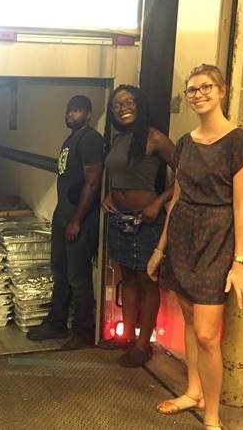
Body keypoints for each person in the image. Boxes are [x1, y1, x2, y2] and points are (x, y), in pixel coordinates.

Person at [148, 64, 243, 430]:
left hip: (217, 238)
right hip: (182, 235)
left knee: (209, 335)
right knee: (191, 320)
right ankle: (192, 391)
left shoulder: (239, 141)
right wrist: (160, 249)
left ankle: (212, 415)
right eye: (192, 89)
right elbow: (176, 199)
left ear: (222, 91)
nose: (198, 94)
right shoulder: (184, 143)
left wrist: (239, 261)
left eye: (205, 87)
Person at [99, 85, 175, 367]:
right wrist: (111, 192)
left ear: (140, 105)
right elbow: (120, 174)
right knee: (127, 278)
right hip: (120, 219)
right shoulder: (119, 138)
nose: (123, 107)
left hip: (146, 221)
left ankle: (144, 345)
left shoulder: (154, 137)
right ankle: (126, 337)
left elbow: (186, 173)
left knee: (147, 280)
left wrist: (159, 202)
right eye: (117, 104)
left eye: (129, 102)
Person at [26, 95, 104, 349]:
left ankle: (83, 332)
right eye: (69, 110)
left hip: (79, 221)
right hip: (64, 217)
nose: (72, 115)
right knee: (60, 273)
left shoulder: (90, 139)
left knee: (77, 278)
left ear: (89, 113)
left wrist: (76, 220)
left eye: (78, 110)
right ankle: (57, 324)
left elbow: (92, 182)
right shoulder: (72, 139)